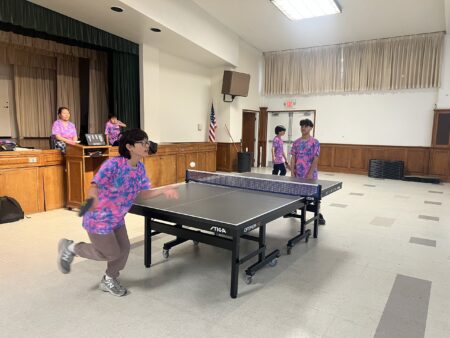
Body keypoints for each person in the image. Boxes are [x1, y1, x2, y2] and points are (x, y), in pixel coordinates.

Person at [57, 129, 179, 297]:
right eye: (142, 143)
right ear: (129, 146)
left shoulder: (140, 168)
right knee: (111, 253)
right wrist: (92, 201)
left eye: (147, 142)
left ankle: (109, 278)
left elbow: (143, 193)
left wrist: (164, 190)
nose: (146, 146)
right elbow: (94, 186)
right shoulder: (113, 164)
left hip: (117, 218)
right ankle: (71, 248)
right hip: (99, 218)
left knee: (124, 249)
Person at [290, 118, 326, 225]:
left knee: (314, 196)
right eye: (302, 126)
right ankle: (293, 209)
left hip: (310, 175)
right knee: (297, 194)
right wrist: (292, 172)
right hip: (298, 175)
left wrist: (310, 173)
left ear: (311, 128)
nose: (303, 128)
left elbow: (316, 158)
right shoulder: (296, 142)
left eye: (306, 126)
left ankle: (318, 214)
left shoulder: (315, 142)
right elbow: (293, 158)